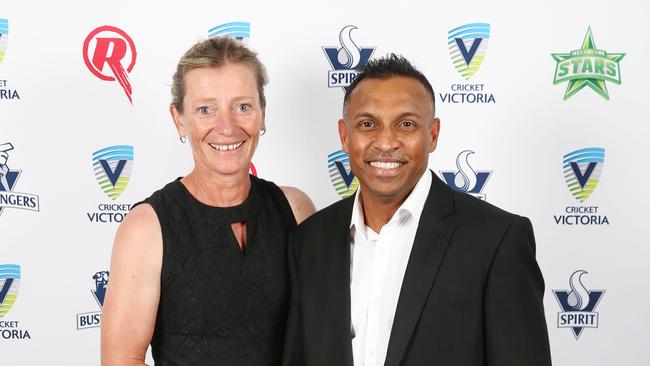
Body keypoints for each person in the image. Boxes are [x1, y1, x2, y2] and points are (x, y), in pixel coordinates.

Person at [282, 54, 552, 366]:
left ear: (433, 135)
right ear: (345, 136)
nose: (385, 142)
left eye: (406, 124)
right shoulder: (309, 241)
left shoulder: (495, 241)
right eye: (367, 124)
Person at [101, 37, 316, 366]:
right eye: (205, 109)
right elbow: (121, 360)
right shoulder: (147, 227)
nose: (227, 127)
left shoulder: (295, 209)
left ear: (262, 114)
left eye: (242, 106)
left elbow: (323, 335)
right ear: (180, 119)